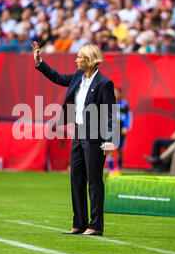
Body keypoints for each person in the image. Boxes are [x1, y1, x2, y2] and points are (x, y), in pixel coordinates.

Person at [32, 41, 117, 236]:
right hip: (78, 134)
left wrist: (111, 138)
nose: (76, 59)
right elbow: (58, 77)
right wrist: (40, 62)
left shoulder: (104, 83)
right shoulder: (78, 76)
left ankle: (95, 225)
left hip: (96, 136)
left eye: (79, 57)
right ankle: (79, 223)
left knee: (94, 181)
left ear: (88, 60)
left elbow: (111, 113)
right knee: (76, 179)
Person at [107, 86, 131, 176]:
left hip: (121, 131)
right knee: (110, 148)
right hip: (111, 130)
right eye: (114, 93)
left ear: (120, 94)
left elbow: (128, 116)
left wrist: (126, 127)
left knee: (120, 150)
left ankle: (118, 168)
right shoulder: (109, 103)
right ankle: (111, 169)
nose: (115, 94)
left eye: (117, 93)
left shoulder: (124, 105)